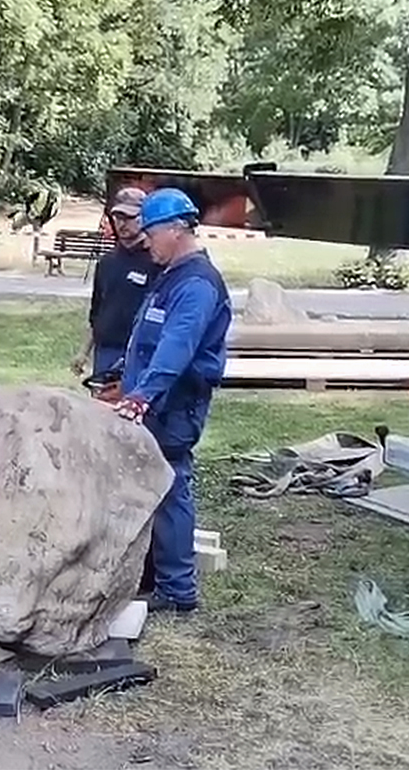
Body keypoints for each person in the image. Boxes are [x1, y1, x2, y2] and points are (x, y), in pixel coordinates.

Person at [116, 187, 231, 614]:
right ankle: (150, 576)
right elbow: (148, 339)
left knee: (169, 487)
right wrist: (123, 380)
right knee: (149, 485)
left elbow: (177, 347)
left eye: (151, 232)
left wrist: (143, 394)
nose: (144, 240)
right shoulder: (173, 275)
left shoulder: (197, 284)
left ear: (176, 229)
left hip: (174, 405)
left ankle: (178, 590)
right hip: (156, 399)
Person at [71, 188, 159, 379]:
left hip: (142, 353)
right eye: (118, 217)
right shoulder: (107, 262)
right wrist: (83, 352)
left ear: (144, 218)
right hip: (106, 353)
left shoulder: (157, 261)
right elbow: (97, 314)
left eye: (129, 217)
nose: (122, 223)